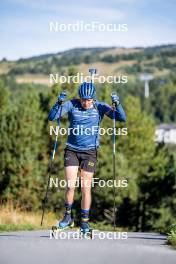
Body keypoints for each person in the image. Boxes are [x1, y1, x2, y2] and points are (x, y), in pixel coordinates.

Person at [48, 82, 126, 233]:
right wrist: (58, 103)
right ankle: (68, 217)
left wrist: (118, 103)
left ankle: (84, 222)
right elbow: (52, 117)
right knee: (71, 185)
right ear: (79, 97)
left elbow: (121, 118)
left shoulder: (100, 107)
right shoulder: (72, 104)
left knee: (85, 187)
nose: (85, 102)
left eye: (88, 99)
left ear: (93, 98)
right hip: (72, 150)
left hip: (90, 152)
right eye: (83, 99)